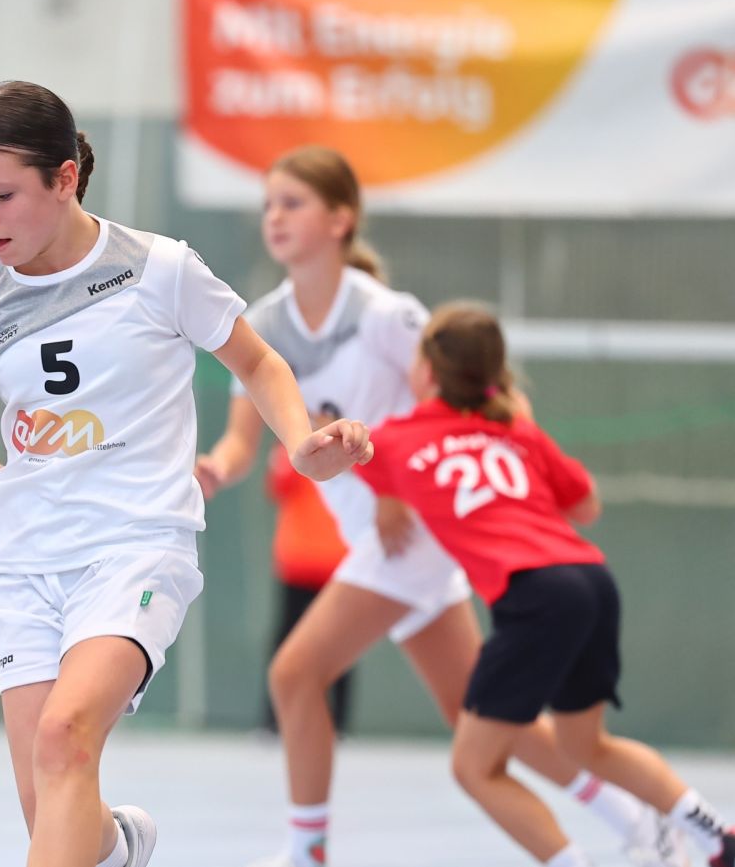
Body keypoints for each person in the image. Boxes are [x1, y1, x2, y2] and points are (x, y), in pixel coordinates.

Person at [0, 81, 373, 867]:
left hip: (135, 547)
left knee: (62, 737)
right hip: (25, 565)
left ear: (64, 178)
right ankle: (118, 847)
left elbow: (255, 358)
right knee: (53, 808)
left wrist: (299, 441)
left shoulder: (158, 270)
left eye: (2, 194)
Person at [194, 145, 688, 867]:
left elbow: (464, 403)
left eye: (292, 203)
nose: (275, 217)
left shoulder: (386, 316)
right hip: (377, 535)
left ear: (341, 220)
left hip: (416, 529)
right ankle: (640, 824)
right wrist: (213, 468)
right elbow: (243, 438)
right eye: (268, 204)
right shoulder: (262, 324)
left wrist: (396, 488)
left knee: (294, 673)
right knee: (487, 719)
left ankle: (306, 849)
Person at [354, 300, 735, 867]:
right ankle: (716, 835)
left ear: (428, 373)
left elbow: (331, 456)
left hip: (535, 596)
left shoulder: (398, 437)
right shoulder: (515, 428)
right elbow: (586, 505)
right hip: (591, 580)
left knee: (474, 767)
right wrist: (518, 432)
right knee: (587, 745)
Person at [262, 441, 352, 732]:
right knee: (291, 641)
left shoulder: (347, 445)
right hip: (302, 561)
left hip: (331, 561)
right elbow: (278, 487)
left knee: (338, 644)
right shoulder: (292, 446)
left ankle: (334, 723)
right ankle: (278, 721)